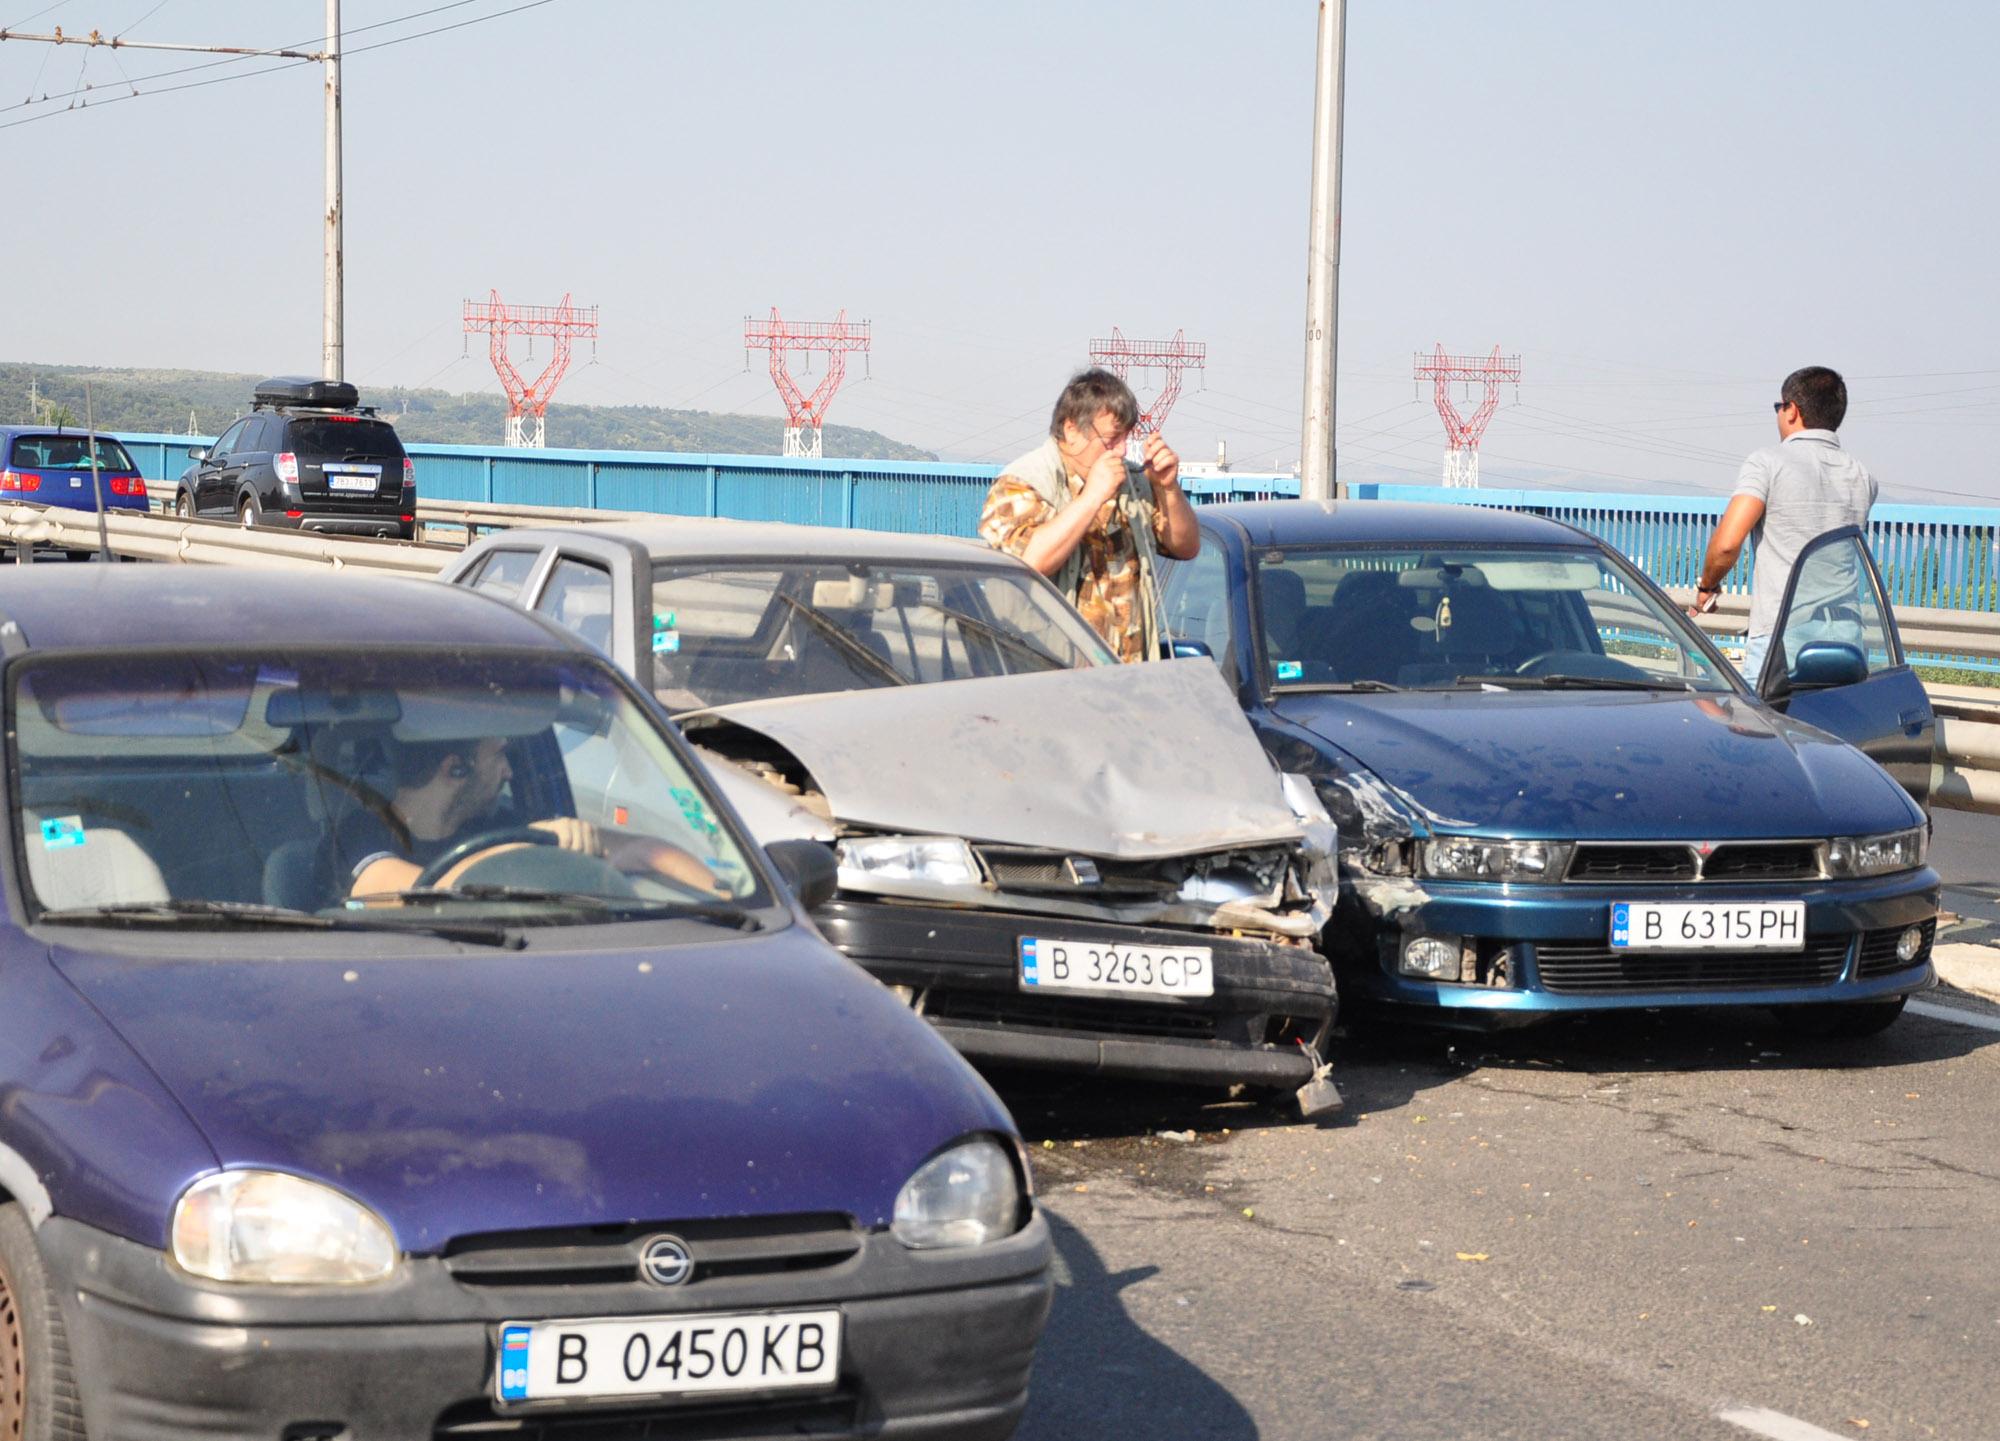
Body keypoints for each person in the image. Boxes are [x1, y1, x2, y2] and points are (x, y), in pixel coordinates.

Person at [978, 368, 1201, 662]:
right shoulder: (1024, 482)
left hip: (1126, 677)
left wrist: (1168, 488)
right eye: (1111, 439)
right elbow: (1030, 561)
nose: (1121, 450)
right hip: (1047, 673)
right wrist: (1093, 496)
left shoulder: (1131, 484)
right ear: (1071, 431)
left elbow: (1185, 547)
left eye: (1126, 438)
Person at [337, 735, 713, 899]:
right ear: (455, 770)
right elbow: (411, 893)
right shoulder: (361, 833)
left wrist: (732, 900)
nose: (509, 773)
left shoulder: (500, 827)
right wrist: (528, 847)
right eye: (500, 756)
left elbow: (647, 852)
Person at [1688, 366, 1876, 685]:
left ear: (1792, 411)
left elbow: (1727, 544)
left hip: (1781, 639)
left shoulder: (1767, 463)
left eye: (1779, 406)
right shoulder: (1861, 475)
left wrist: (1707, 587)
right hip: (1847, 641)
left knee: (1765, 731)